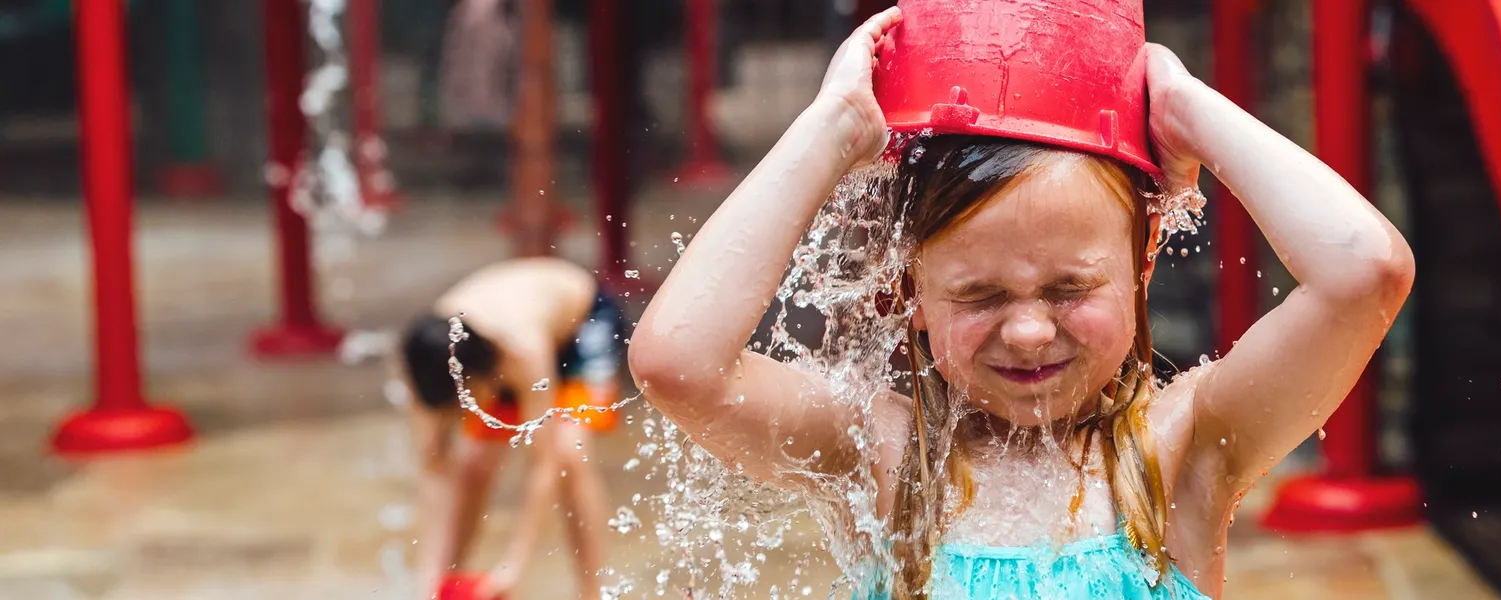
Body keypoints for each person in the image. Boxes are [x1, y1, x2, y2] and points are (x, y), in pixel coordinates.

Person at [628, 7, 1413, 600]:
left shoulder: (1185, 447)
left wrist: (1184, 108)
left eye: (1070, 289)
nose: (1031, 329)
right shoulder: (881, 455)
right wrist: (831, 131)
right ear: (912, 294)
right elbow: (677, 363)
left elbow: (1366, 274)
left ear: (1140, 268)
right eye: (980, 295)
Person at [395, 257, 626, 600]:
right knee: (473, 465)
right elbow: (435, 468)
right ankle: (446, 580)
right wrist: (428, 579)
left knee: (568, 454)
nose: (460, 413)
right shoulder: (425, 364)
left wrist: (514, 565)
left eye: (462, 403)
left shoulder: (523, 351)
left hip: (583, 322)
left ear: (477, 378)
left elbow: (542, 465)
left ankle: (592, 593)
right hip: (500, 343)